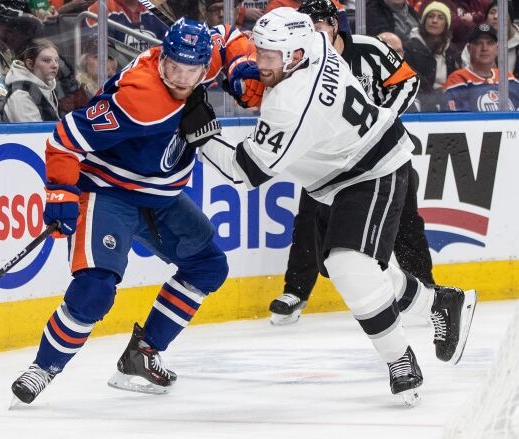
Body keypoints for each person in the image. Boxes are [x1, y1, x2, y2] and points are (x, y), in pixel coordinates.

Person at [189, 7, 476, 403]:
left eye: (269, 57)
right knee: (361, 272)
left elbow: (246, 171)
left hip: (371, 169)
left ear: (293, 56)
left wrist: (202, 134)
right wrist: (244, 66)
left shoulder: (290, 104)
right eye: (260, 53)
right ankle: (440, 301)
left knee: (348, 265)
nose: (261, 62)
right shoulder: (317, 43)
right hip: (338, 176)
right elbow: (256, 51)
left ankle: (400, 360)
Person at [10, 17, 262, 405]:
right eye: (173, 67)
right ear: (162, 57)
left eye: (191, 70)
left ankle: (141, 354)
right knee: (95, 288)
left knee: (209, 266)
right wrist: (60, 192)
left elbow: (228, 35)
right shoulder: (139, 99)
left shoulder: (201, 58)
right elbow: (64, 140)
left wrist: (241, 68)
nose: (180, 78)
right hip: (109, 189)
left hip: (161, 196)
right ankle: (43, 367)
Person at [268, 0, 431, 326]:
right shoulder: (304, 65)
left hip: (384, 156)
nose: (314, 34)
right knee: (309, 220)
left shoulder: (368, 48)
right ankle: (296, 291)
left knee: (405, 220)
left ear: (334, 23)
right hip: (328, 163)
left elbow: (407, 81)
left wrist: (384, 118)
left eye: (318, 26)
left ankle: (425, 289)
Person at [444, 23, 519, 111]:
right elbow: (460, 120)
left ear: (497, 49)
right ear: (469, 49)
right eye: (478, 43)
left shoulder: (508, 78)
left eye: (490, 43)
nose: (484, 48)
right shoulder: (458, 79)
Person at [404, 1, 461, 111]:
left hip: (446, 102)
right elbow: (411, 82)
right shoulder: (410, 48)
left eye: (440, 18)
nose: (434, 21)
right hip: (419, 101)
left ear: (446, 24)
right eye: (430, 16)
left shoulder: (452, 51)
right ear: (424, 21)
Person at [5, 39, 61, 122]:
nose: (55, 65)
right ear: (30, 64)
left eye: (56, 60)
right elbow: (33, 132)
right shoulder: (21, 94)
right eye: (46, 60)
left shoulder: (47, 86)